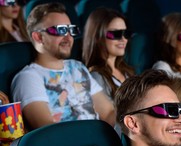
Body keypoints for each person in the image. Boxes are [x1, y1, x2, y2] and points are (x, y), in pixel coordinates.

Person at [10, 2, 115, 131]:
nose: (68, 37)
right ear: (38, 37)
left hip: (99, 142)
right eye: (61, 30)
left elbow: (108, 112)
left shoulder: (77, 67)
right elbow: (47, 130)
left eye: (71, 30)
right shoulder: (29, 77)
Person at [82, 7, 135, 136]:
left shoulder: (127, 71)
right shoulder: (95, 77)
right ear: (98, 37)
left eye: (126, 34)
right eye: (116, 34)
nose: (123, 39)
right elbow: (109, 123)